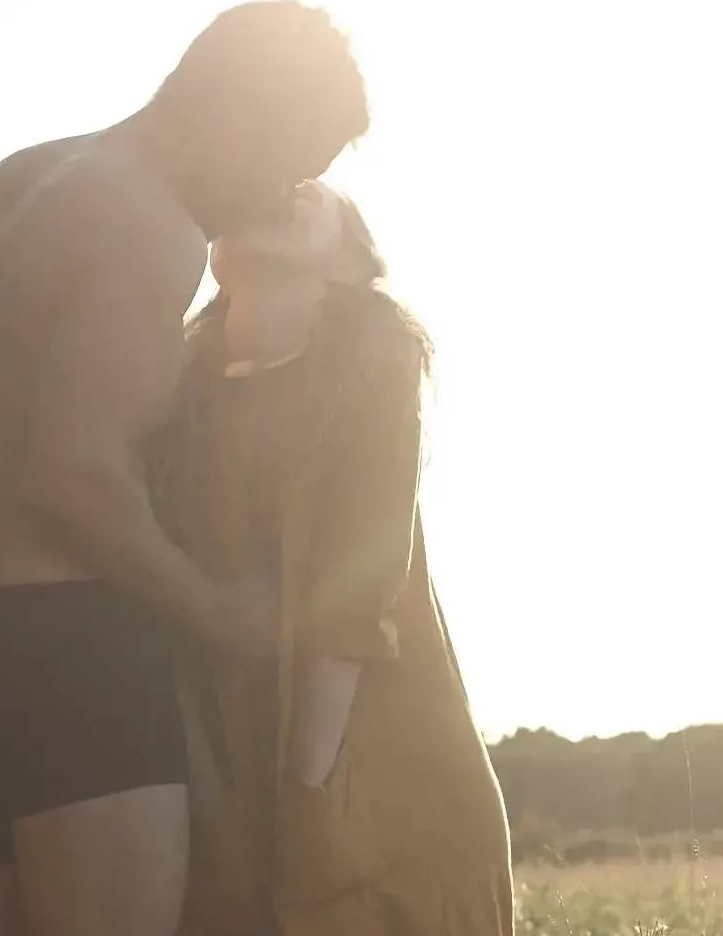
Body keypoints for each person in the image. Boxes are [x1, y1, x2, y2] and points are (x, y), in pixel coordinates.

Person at [0, 2, 372, 936]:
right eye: (285, 167)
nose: (275, 201)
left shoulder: (7, 184)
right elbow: (76, 473)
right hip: (70, 657)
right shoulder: (149, 223)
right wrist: (217, 611)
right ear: (242, 115)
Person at [159, 183, 513, 935]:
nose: (296, 186)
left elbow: (353, 603)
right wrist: (212, 795)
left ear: (351, 262)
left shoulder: (378, 355)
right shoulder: (181, 386)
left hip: (388, 790)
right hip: (232, 786)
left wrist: (307, 803)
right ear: (220, 257)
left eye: (321, 195)